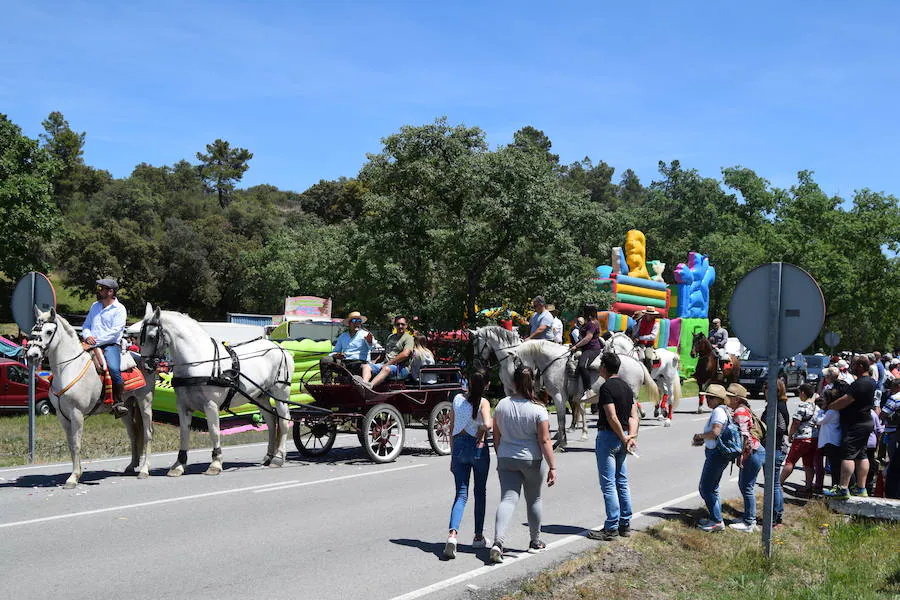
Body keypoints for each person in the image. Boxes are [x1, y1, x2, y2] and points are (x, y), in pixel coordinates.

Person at [489, 365, 557, 563]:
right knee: (534, 499)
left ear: (514, 382)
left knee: (507, 500)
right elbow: (545, 441)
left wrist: (501, 454)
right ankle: (535, 541)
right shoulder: (539, 409)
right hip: (531, 459)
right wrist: (552, 466)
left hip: (506, 457)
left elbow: (496, 436)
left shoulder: (501, 405)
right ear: (533, 383)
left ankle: (498, 542)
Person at [588, 353, 639, 541]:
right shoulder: (626, 387)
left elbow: (611, 416)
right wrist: (630, 437)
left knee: (608, 483)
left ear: (604, 368)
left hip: (609, 437)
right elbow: (634, 415)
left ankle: (611, 527)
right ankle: (625, 523)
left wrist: (623, 436)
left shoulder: (606, 387)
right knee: (622, 481)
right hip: (623, 437)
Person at [443, 367, 493, 559]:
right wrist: (482, 428)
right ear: (487, 385)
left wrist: (452, 454)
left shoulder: (457, 399)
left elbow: (452, 427)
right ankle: (478, 536)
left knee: (461, 494)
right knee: (480, 492)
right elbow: (488, 423)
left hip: (459, 447)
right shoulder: (483, 403)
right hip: (477, 448)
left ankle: (452, 534)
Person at [825, 357, 877, 499]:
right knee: (862, 455)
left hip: (856, 424)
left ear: (860, 366)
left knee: (847, 455)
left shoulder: (859, 384)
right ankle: (861, 488)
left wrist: (830, 406)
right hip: (866, 421)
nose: (851, 367)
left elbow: (845, 401)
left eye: (854, 365)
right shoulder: (871, 382)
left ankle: (843, 489)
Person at [81, 278, 128, 417]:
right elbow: (86, 325)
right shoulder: (95, 306)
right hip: (90, 343)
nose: (99, 290)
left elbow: (114, 332)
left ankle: (118, 403)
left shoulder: (120, 309)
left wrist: (93, 342)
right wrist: (87, 335)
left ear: (110, 291)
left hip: (110, 345)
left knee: (113, 369)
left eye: (102, 288)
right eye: (99, 287)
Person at [691, 384, 731, 532]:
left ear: (719, 399)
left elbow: (715, 432)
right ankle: (715, 517)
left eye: (710, 397)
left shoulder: (718, 412)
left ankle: (717, 521)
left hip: (716, 454)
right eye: (707, 397)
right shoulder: (721, 410)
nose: (707, 399)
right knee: (712, 488)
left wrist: (701, 436)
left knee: (706, 488)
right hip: (717, 453)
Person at [725, 383, 763, 532]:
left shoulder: (740, 412)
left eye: (729, 397)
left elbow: (744, 436)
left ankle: (749, 522)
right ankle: (748, 517)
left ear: (736, 399)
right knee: (745, 485)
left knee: (747, 487)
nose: (727, 399)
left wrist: (743, 456)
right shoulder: (742, 410)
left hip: (751, 452)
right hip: (754, 451)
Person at [779, 384, 820, 496]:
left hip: (801, 438)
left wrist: (791, 434)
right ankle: (808, 487)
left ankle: (779, 483)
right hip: (813, 438)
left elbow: (796, 422)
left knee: (790, 461)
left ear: (803, 393)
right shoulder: (816, 407)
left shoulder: (802, 406)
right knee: (808, 464)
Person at [760, 378, 789, 527]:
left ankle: (774, 516)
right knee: (774, 484)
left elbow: (781, 428)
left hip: (775, 449)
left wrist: (765, 433)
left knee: (773, 484)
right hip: (774, 449)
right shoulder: (776, 405)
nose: (764, 391)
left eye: (766, 388)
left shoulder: (777, 406)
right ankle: (776, 515)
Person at [363, 315, 414, 387]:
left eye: (402, 324)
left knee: (386, 369)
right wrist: (375, 362)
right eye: (397, 324)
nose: (400, 326)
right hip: (386, 364)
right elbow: (385, 352)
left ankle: (370, 386)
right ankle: (364, 384)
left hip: (401, 368)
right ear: (395, 325)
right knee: (366, 366)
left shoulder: (409, 338)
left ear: (406, 325)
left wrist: (388, 364)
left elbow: (405, 354)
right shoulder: (390, 337)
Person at [569, 304, 604, 403]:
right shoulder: (588, 323)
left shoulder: (592, 323)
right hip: (586, 348)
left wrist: (576, 346)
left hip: (592, 349)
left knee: (582, 365)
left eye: (585, 311)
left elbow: (588, 338)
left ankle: (589, 390)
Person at [816, 367, 845, 491]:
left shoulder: (831, 411)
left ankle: (835, 486)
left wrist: (821, 410)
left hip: (831, 440)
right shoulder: (833, 411)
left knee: (834, 466)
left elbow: (819, 420)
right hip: (832, 439)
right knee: (834, 465)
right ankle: (835, 485)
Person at [323, 311, 373, 376]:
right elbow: (335, 351)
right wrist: (336, 355)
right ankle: (327, 385)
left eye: (359, 321)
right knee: (325, 360)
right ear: (349, 323)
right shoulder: (343, 336)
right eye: (354, 320)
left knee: (355, 365)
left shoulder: (366, 334)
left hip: (360, 363)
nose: (357, 323)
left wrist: (370, 342)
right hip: (345, 363)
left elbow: (373, 348)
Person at [632, 306, 661, 371]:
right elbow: (637, 331)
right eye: (648, 314)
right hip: (639, 343)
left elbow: (653, 336)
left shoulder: (656, 324)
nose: (649, 316)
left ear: (654, 315)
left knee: (648, 357)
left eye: (651, 315)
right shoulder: (641, 321)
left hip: (649, 344)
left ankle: (649, 372)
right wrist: (635, 336)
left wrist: (640, 338)